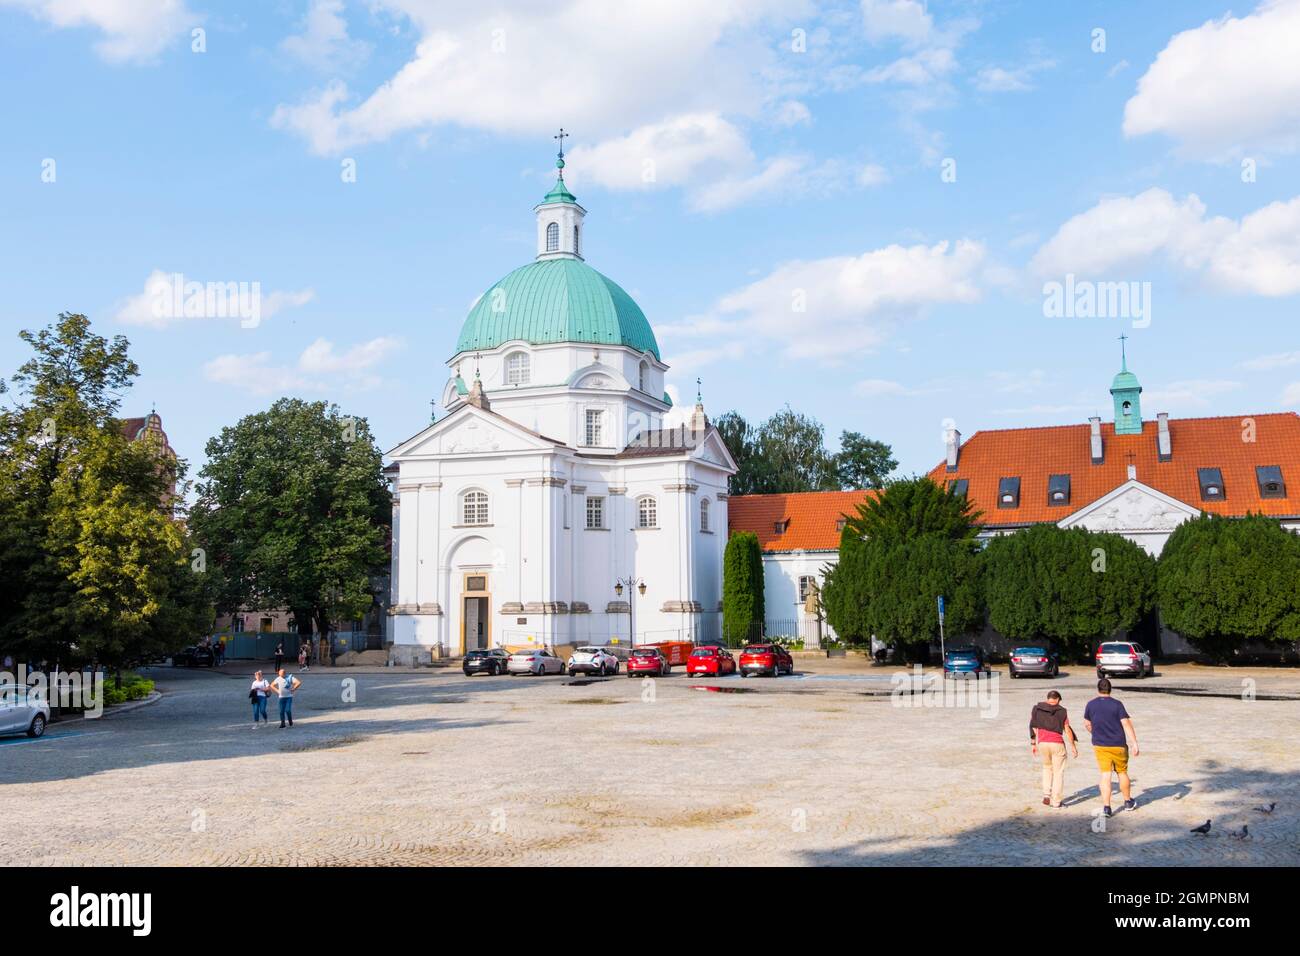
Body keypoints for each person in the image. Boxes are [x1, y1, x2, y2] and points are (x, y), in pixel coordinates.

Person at [1084, 678, 1140, 816]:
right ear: (1110, 689)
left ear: (1098, 689)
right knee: (1122, 772)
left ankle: (1107, 807)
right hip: (1118, 744)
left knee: (1105, 775)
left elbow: (1087, 724)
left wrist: (1095, 732)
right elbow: (1126, 723)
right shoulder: (1117, 704)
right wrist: (1134, 742)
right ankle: (1127, 802)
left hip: (1100, 745)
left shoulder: (1091, 704)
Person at [1029, 690, 1078, 808]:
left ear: (1048, 699)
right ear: (1057, 699)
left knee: (1046, 768)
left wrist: (1033, 743)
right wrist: (1073, 746)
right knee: (1058, 773)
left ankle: (1046, 795)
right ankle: (1056, 802)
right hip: (1057, 744)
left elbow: (1033, 726)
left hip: (1043, 743)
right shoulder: (1062, 711)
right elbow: (1067, 729)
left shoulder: (1037, 708)